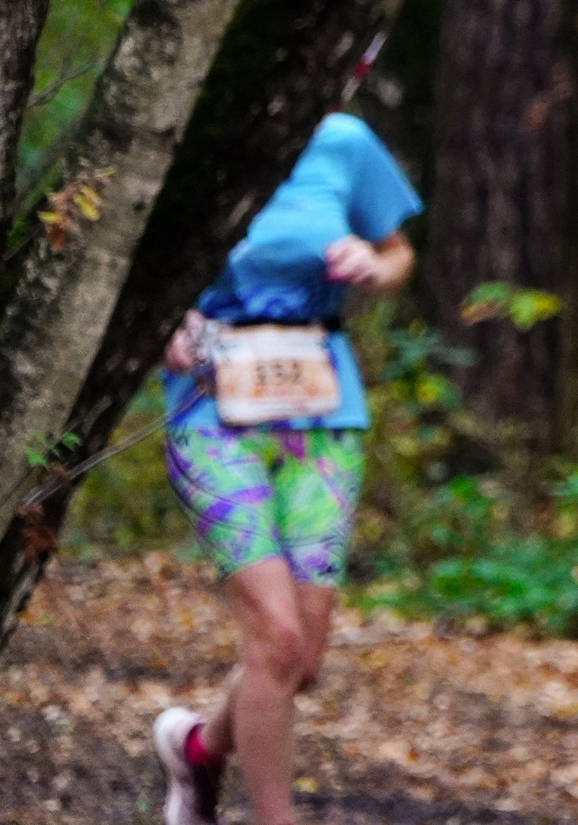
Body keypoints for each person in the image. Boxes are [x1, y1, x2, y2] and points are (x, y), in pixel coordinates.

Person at [150, 112, 423, 825]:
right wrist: (162, 320)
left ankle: (198, 750)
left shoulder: (342, 140)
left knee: (299, 658)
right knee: (276, 637)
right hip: (211, 410)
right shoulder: (190, 126)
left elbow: (399, 254)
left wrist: (373, 264)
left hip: (322, 412)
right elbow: (125, 259)